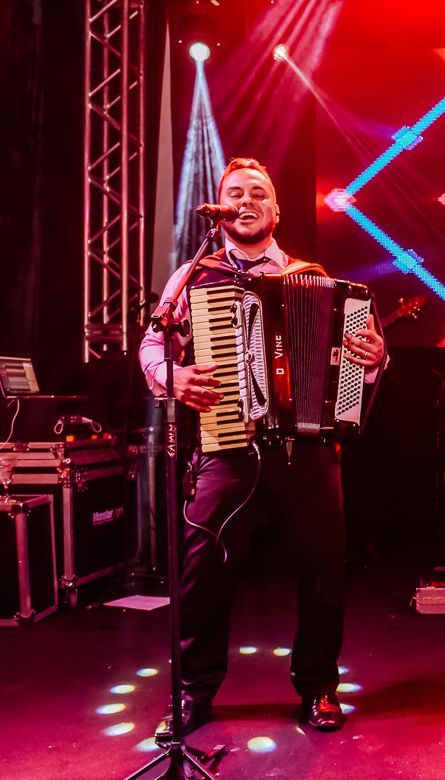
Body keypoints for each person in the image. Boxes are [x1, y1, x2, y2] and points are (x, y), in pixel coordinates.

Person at [138, 157, 386, 737]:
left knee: (323, 570)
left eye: (258, 193)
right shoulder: (195, 275)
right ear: (220, 207)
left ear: (276, 210)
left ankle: (319, 686)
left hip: (308, 451)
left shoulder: (316, 276)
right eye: (234, 193)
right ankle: (191, 694)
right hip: (227, 445)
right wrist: (170, 377)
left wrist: (374, 363)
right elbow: (154, 344)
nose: (245, 201)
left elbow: (361, 357)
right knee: (202, 572)